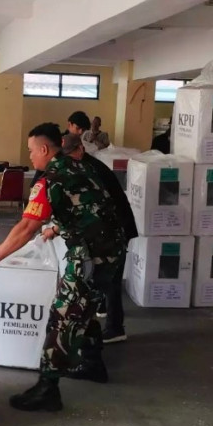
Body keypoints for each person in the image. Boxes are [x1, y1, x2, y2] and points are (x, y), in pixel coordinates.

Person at [0, 123, 125, 412]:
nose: (30, 157)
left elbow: (27, 227)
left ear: (44, 149)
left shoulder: (49, 180)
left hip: (90, 256)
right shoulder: (80, 167)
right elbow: (88, 206)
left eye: (31, 151)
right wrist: (57, 226)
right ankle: (93, 364)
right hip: (112, 251)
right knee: (85, 304)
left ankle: (48, 388)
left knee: (62, 314)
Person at [56, 134, 137, 344]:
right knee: (101, 277)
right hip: (107, 229)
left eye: (70, 154)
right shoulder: (82, 168)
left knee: (112, 280)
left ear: (80, 149)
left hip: (116, 229)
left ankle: (115, 328)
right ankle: (101, 310)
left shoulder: (93, 170)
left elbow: (95, 207)